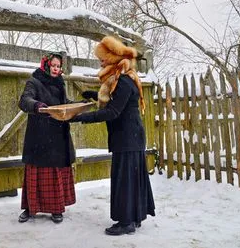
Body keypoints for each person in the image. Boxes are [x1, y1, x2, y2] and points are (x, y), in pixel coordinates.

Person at [69, 36, 155, 235]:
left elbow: (113, 112)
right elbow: (116, 103)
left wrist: (81, 118)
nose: (100, 61)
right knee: (132, 179)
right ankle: (134, 217)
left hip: (127, 138)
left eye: (103, 58)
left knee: (125, 180)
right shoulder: (124, 77)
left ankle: (126, 222)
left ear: (113, 57)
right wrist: (94, 95)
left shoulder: (124, 81)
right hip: (129, 137)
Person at [18, 52, 76, 224]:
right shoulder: (34, 81)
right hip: (39, 136)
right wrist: (36, 105)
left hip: (58, 136)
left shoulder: (60, 83)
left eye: (58, 66)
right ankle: (30, 208)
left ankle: (56, 209)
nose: (56, 69)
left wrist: (78, 105)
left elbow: (64, 102)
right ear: (46, 65)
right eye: (53, 66)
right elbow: (24, 100)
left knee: (55, 173)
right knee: (36, 173)